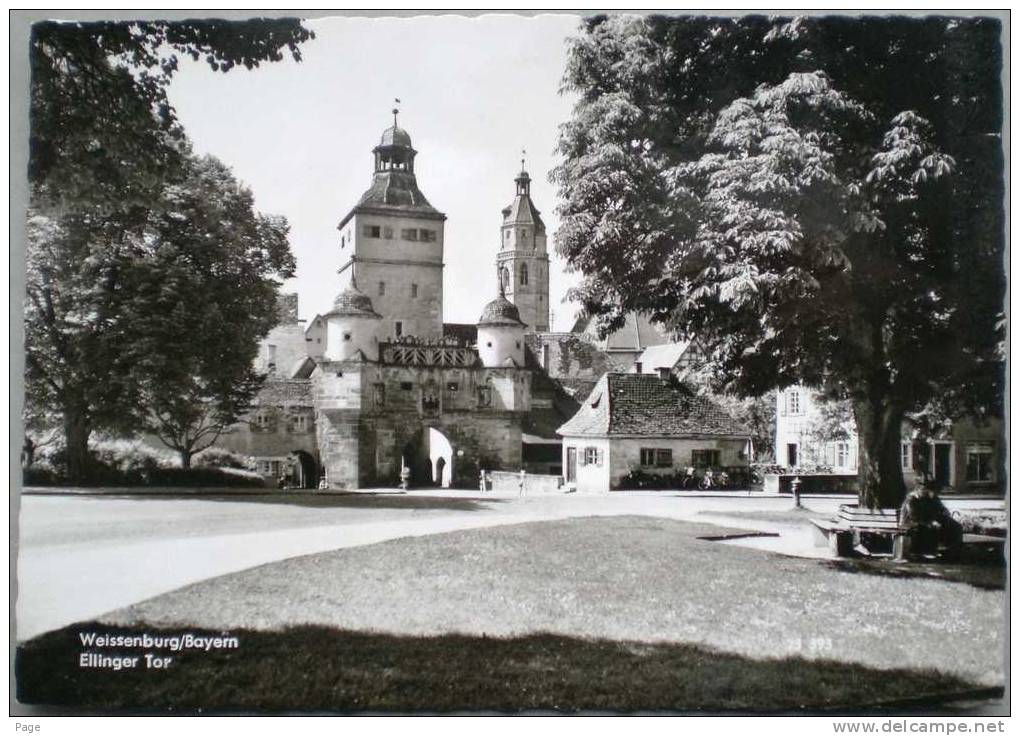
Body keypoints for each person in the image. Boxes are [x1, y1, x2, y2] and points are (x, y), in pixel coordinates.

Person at [898, 484, 963, 561]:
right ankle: (927, 552)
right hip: (911, 523)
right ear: (917, 490)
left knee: (954, 526)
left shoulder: (929, 498)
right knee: (932, 528)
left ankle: (952, 550)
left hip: (924, 521)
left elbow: (939, 509)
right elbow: (914, 516)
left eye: (926, 490)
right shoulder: (911, 500)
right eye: (923, 490)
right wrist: (931, 522)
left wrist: (943, 511)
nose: (925, 492)